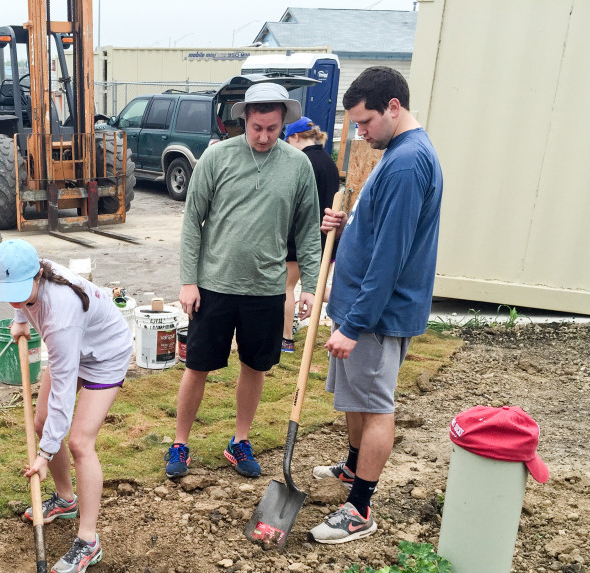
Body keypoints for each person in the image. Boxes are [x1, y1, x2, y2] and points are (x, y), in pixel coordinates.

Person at [309, 66, 443, 544]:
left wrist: (355, 323)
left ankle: (360, 507)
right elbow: (378, 231)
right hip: (357, 309)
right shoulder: (396, 154)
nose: (361, 134)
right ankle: (351, 467)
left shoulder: (408, 163)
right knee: (355, 398)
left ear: (393, 106)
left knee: (375, 404)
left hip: (376, 314)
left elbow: (391, 256)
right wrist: (346, 226)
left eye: (365, 123)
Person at [166, 82, 322, 480]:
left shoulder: (298, 166)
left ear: (283, 123)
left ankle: (239, 441)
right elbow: (192, 223)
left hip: (267, 290)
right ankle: (180, 444)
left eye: (271, 128)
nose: (264, 136)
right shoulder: (217, 158)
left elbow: (307, 231)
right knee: (197, 366)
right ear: (244, 121)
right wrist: (189, 281)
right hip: (214, 285)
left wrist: (313, 286)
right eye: (256, 127)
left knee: (255, 366)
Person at [0, 240, 132, 573]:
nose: (15, 297)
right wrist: (20, 316)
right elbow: (21, 295)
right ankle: (66, 499)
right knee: (41, 422)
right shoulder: (32, 278)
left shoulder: (61, 315)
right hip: (75, 348)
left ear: (38, 274)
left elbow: (64, 395)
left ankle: (88, 539)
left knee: (80, 443)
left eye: (21, 292)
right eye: (9, 292)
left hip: (106, 356)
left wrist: (44, 454)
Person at [282, 116, 340, 353]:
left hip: (302, 238)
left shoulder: (302, 162)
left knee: (284, 287)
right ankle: (347, 306)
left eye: (287, 140)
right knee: (314, 288)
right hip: (327, 238)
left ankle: (285, 339)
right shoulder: (329, 162)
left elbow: (295, 205)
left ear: (295, 137)